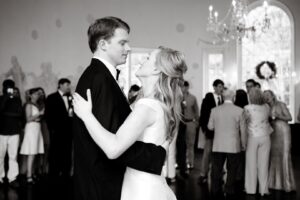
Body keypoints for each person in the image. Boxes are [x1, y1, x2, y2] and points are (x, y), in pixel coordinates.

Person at [73, 17, 170, 200]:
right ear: (103, 44)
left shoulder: (100, 76)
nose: (129, 48)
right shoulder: (99, 79)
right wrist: (156, 155)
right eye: (122, 43)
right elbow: (110, 143)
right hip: (101, 185)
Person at [208, 89, 246, 199]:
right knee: (232, 169)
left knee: (216, 169)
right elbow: (243, 130)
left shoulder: (215, 110)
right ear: (233, 97)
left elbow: (210, 127)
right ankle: (229, 189)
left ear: (223, 98)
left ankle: (215, 190)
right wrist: (244, 144)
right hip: (233, 145)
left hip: (218, 144)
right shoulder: (239, 110)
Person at [263, 90, 296, 192]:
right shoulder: (265, 108)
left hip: (283, 132)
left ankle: (287, 183)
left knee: (284, 156)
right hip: (273, 133)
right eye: (265, 96)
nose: (267, 98)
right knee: (274, 156)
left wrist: (278, 116)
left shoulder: (280, 104)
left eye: (268, 95)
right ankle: (275, 183)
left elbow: (289, 118)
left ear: (273, 96)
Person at [243, 88, 273, 196]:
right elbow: (269, 118)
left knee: (251, 164)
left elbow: (245, 123)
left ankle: (251, 189)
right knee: (264, 164)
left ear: (250, 97)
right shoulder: (267, 107)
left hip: (253, 137)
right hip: (265, 137)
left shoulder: (247, 108)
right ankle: (263, 190)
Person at [45, 78, 73, 179]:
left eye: (69, 85)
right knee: (55, 152)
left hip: (68, 131)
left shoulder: (70, 97)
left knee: (67, 151)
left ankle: (66, 172)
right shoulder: (51, 97)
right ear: (60, 85)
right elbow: (47, 115)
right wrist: (52, 129)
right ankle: (54, 173)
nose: (69, 87)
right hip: (56, 131)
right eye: (67, 85)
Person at [198, 79, 224, 184]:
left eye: (222, 86)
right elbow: (203, 114)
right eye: (219, 86)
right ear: (214, 87)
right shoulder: (208, 98)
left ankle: (218, 175)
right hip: (210, 131)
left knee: (219, 154)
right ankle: (203, 174)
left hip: (221, 132)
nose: (221, 89)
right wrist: (205, 129)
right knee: (207, 152)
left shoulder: (224, 99)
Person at [0, 80, 23, 187]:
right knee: (0, 156)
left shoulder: (17, 100)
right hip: (1, 131)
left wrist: (6, 114)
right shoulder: (1, 98)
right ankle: (0, 177)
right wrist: (5, 98)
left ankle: (12, 178)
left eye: (11, 87)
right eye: (7, 87)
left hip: (14, 132)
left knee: (13, 156)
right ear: (3, 87)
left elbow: (19, 114)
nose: (9, 89)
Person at [20, 88, 44, 184]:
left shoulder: (37, 105)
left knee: (35, 153)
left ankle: (32, 172)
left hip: (37, 128)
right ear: (30, 95)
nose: (37, 95)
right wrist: (40, 113)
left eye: (38, 94)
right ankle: (29, 175)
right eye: (35, 94)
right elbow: (28, 118)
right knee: (31, 153)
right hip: (31, 128)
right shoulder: (29, 105)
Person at [182, 81, 199, 169]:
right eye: (182, 87)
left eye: (185, 87)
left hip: (190, 123)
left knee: (190, 144)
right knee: (180, 144)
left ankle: (190, 163)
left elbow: (196, 111)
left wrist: (196, 123)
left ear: (188, 87)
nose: (184, 88)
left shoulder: (193, 98)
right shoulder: (177, 97)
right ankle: (180, 163)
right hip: (180, 124)